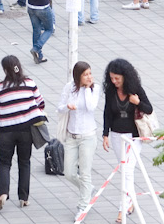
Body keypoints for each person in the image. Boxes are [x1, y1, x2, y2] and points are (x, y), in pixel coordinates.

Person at [102, 58, 154, 221]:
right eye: (111, 78)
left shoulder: (136, 89)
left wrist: (137, 102)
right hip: (117, 134)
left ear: (125, 76)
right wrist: (105, 134)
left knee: (127, 170)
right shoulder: (111, 91)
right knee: (125, 170)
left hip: (133, 137)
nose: (114, 81)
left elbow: (149, 108)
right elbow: (107, 113)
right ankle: (130, 201)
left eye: (117, 78)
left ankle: (122, 207)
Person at [0, 54, 45, 210]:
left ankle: (3, 193)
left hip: (5, 132)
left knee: (4, 163)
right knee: (24, 162)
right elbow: (41, 103)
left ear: (5, 70)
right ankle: (23, 198)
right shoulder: (29, 83)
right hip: (25, 131)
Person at [62, 62, 100, 217]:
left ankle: (83, 207)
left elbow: (91, 107)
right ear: (78, 76)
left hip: (88, 136)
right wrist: (67, 107)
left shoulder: (94, 89)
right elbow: (59, 107)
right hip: (72, 135)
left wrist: (85, 89)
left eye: (90, 73)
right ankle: (88, 188)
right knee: (68, 173)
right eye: (85, 74)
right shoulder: (69, 88)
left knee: (85, 173)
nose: (89, 77)